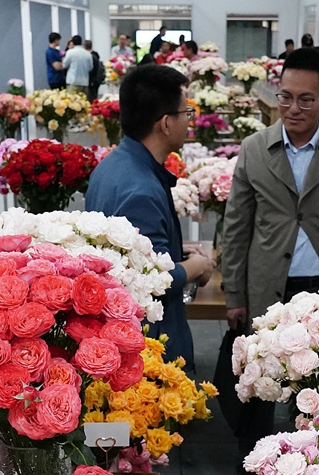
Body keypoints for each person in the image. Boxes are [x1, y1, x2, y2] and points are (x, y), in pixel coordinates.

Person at [206, 48, 319, 475]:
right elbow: (237, 228)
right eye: (286, 98)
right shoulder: (256, 149)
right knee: (243, 386)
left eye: (306, 100)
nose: (294, 109)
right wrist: (234, 295)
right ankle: (251, 474)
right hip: (267, 289)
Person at [86, 64, 214, 368]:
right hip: (148, 340)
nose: (190, 121)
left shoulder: (113, 164)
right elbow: (149, 280)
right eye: (187, 113)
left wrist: (173, 251)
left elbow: (128, 254)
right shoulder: (141, 189)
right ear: (166, 123)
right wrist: (196, 266)